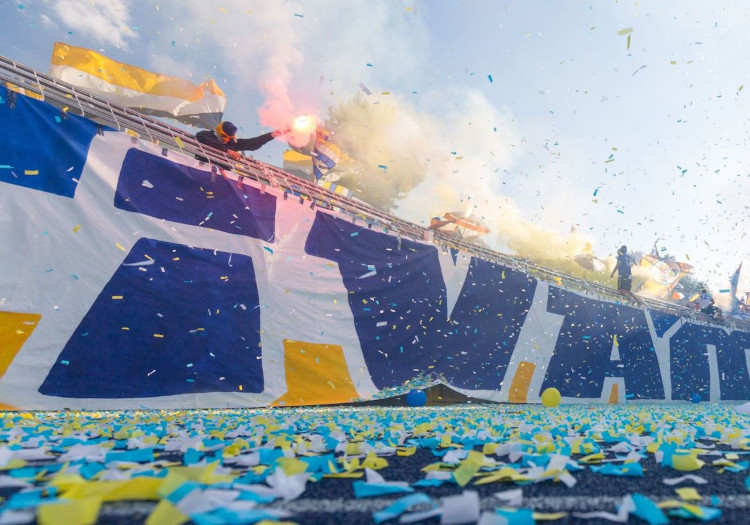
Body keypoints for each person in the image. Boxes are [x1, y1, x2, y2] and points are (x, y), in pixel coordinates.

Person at [195, 121, 285, 164]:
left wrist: (271, 135)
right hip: (202, 166)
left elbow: (252, 143)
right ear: (219, 132)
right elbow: (202, 138)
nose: (227, 140)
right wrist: (227, 151)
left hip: (223, 173)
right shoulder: (206, 135)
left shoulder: (233, 143)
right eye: (225, 136)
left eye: (230, 137)